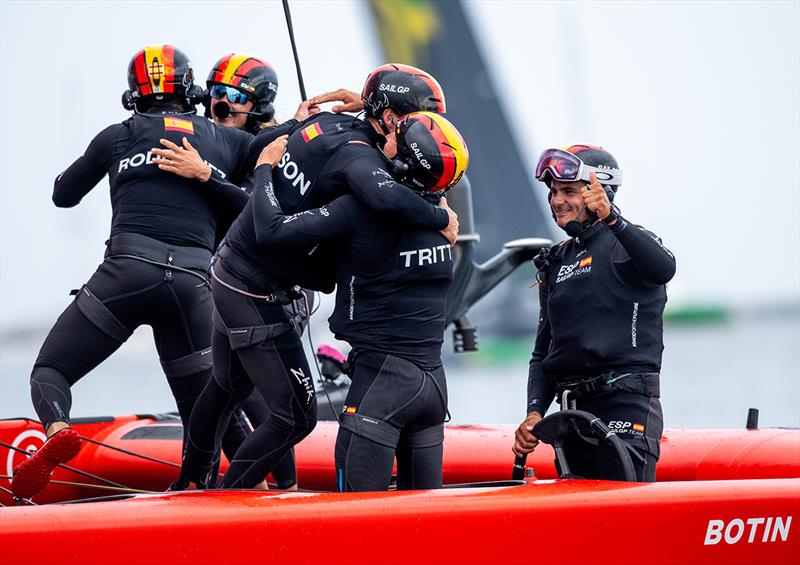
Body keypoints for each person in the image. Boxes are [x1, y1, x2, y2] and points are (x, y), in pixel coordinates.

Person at [10, 45, 283, 500]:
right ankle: (261, 495)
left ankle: (58, 428)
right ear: (190, 90)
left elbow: (63, 195)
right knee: (206, 408)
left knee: (51, 371)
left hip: (127, 275)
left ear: (131, 94)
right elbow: (272, 156)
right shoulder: (225, 140)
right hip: (194, 288)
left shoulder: (117, 135)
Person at [174, 65, 459, 491]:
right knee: (297, 414)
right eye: (410, 121)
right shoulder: (361, 163)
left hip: (237, 266)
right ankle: (221, 501)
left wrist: (327, 114)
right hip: (253, 284)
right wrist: (442, 216)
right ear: (387, 120)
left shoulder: (335, 121)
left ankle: (191, 485)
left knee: (226, 386)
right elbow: (383, 195)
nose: (416, 129)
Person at [152, 52, 313, 490]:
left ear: (258, 104)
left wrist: (205, 176)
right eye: (212, 95)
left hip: (275, 291)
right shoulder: (215, 143)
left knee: (256, 394)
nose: (216, 106)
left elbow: (261, 218)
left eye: (230, 98)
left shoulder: (275, 150)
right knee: (226, 389)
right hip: (232, 287)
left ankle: (271, 488)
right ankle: (215, 486)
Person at [512, 145, 676, 482]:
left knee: (625, 525)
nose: (557, 201)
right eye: (554, 192)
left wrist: (614, 220)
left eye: (569, 191)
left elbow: (664, 268)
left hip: (624, 408)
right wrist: (534, 412)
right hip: (572, 415)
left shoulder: (626, 242)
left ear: (598, 190)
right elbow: (544, 352)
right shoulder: (555, 261)